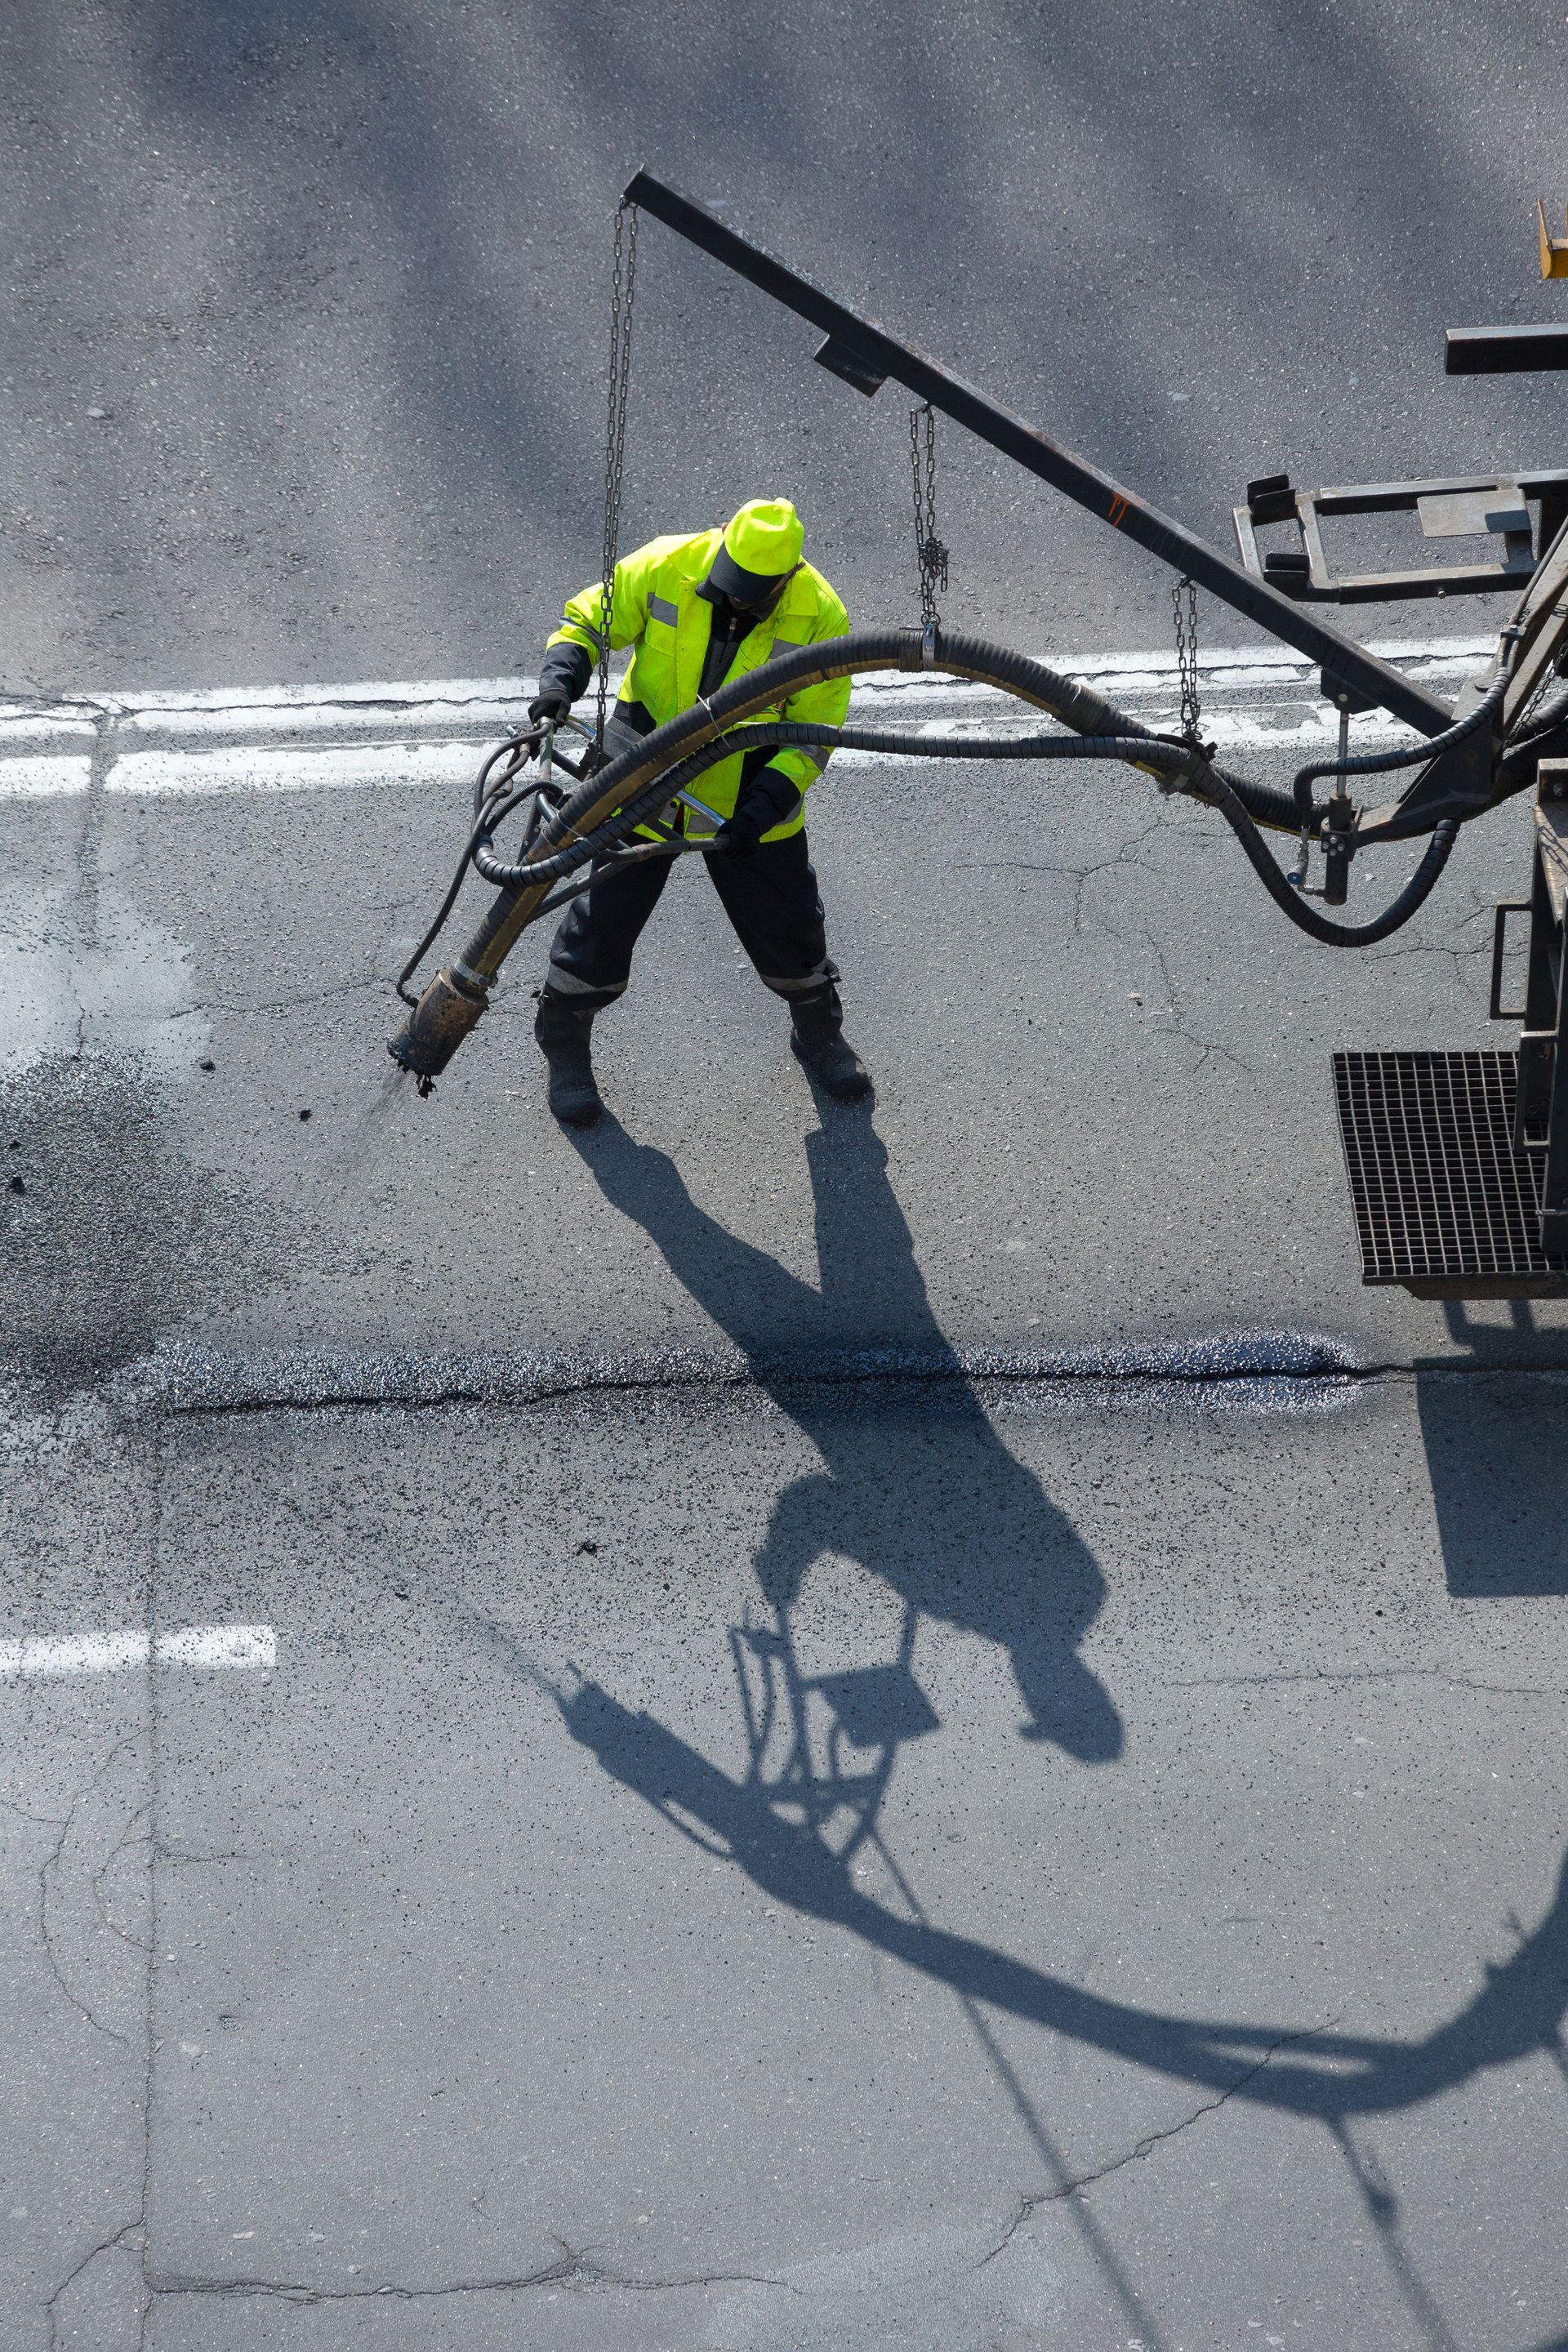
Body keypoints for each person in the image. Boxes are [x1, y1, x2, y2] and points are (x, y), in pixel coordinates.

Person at [526, 497, 870, 1125]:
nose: (739, 604)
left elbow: (814, 732)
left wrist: (763, 809)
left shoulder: (821, 614)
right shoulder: (666, 564)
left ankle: (817, 1032)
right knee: (600, 928)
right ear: (720, 543)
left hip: (748, 798)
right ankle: (564, 1042)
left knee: (790, 930)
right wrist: (560, 683)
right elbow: (586, 623)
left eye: (754, 596)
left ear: (789, 577)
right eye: (731, 589)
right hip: (641, 778)